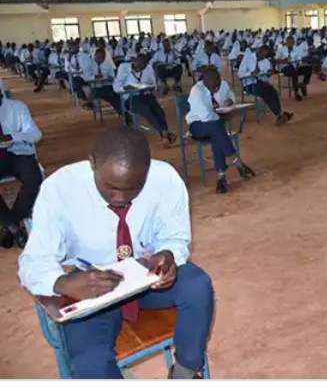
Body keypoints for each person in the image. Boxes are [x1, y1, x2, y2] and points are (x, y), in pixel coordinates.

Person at [18, 127, 214, 379]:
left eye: (135, 188)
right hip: (90, 284)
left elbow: (176, 238)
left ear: (147, 170)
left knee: (197, 286)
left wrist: (169, 255)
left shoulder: (165, 179)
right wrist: (62, 282)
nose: (121, 198)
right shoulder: (60, 189)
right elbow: (33, 262)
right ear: (93, 162)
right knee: (90, 363)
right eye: (110, 188)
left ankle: (185, 373)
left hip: (145, 277)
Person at [186, 68, 255, 194]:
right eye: (213, 86)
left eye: (217, 84)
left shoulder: (223, 85)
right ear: (204, 82)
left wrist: (230, 102)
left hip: (216, 126)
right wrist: (222, 116)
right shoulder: (197, 91)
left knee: (217, 136)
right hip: (198, 126)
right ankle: (237, 163)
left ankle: (221, 178)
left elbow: (230, 96)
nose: (216, 88)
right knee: (217, 129)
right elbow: (205, 117)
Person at [0, 81, 42, 248]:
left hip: (19, 153)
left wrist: (12, 137)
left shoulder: (17, 108)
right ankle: (15, 228)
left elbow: (35, 134)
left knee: (33, 179)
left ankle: (10, 226)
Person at [113, 54, 176, 145]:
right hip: (130, 97)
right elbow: (116, 87)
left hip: (145, 94)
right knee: (146, 109)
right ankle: (164, 133)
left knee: (158, 109)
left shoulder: (148, 68)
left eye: (143, 68)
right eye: (138, 67)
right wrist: (125, 88)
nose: (140, 69)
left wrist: (149, 87)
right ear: (134, 61)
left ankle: (164, 132)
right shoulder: (123, 67)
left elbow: (153, 84)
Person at [238, 46, 293, 126]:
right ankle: (278, 114)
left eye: (264, 56)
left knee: (272, 90)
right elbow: (240, 74)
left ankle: (279, 114)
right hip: (248, 85)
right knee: (266, 90)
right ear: (258, 51)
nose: (261, 58)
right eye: (261, 55)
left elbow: (264, 77)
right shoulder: (248, 57)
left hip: (260, 83)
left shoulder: (266, 61)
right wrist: (250, 74)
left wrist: (267, 74)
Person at [274, 35, 312, 101]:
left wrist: (298, 64)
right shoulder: (281, 49)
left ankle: (304, 84)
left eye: (291, 43)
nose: (290, 44)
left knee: (308, 68)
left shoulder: (297, 49)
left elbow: (299, 60)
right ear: (286, 42)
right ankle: (296, 92)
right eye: (288, 43)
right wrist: (283, 60)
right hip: (285, 67)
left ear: (294, 42)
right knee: (294, 72)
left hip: (295, 66)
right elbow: (275, 60)